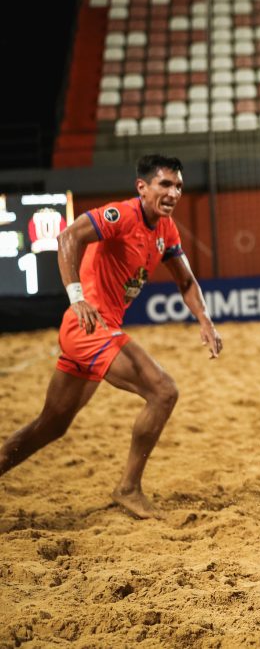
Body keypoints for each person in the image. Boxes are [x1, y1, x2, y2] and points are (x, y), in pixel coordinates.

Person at [0, 154, 222, 519]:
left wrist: (206, 321)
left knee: (51, 425)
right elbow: (68, 236)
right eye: (165, 184)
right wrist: (77, 297)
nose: (174, 192)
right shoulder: (122, 215)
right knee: (163, 391)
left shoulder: (166, 229)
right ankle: (128, 488)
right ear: (142, 187)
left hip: (95, 331)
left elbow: (185, 281)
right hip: (90, 326)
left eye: (179, 186)